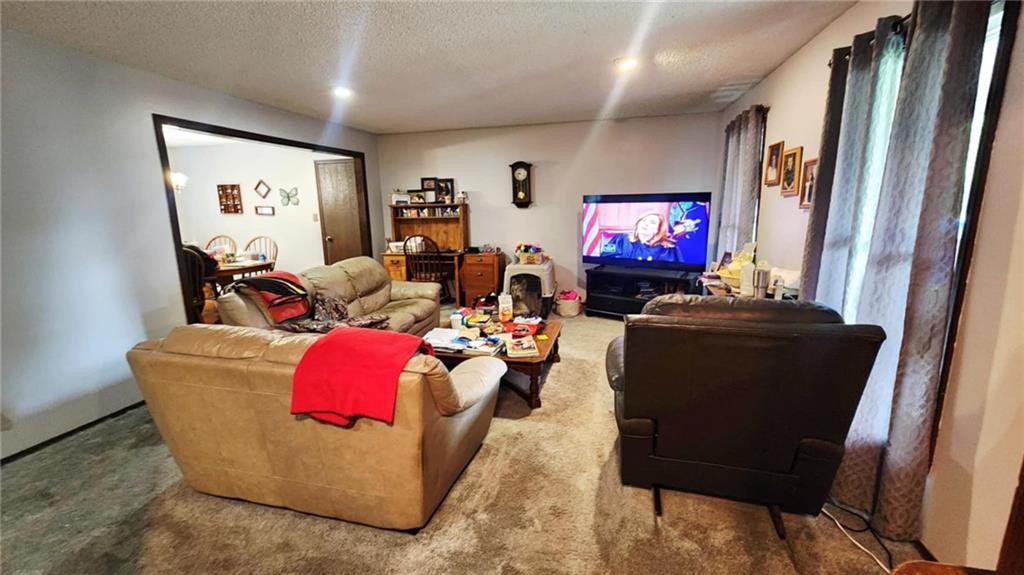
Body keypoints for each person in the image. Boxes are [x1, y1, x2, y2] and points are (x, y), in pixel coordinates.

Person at [601, 212, 679, 262]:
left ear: (658, 229)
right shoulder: (621, 238)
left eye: (652, 222)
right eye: (644, 220)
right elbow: (604, 257)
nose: (646, 224)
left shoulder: (666, 248)